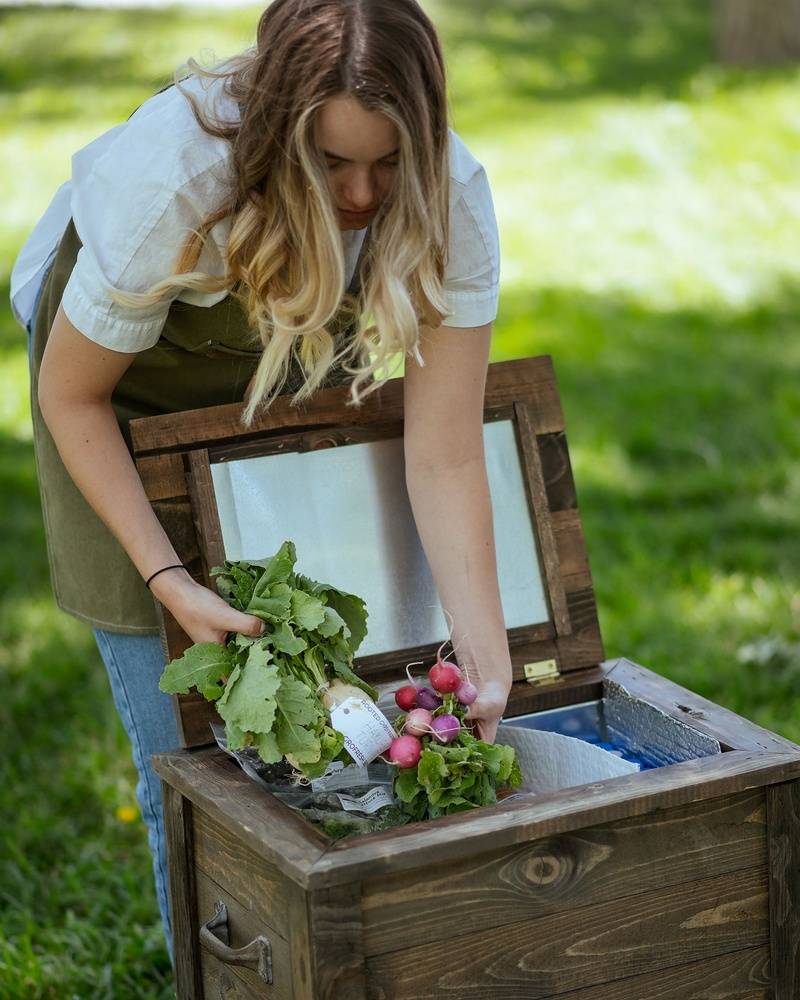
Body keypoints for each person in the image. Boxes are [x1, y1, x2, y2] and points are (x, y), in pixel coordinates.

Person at [11, 0, 513, 963]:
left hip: (281, 344)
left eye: (390, 160)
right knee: (193, 760)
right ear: (281, 135)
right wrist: (168, 581)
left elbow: (443, 449)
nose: (365, 194)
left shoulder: (454, 194)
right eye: (331, 163)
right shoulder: (172, 179)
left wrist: (486, 660)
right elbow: (73, 399)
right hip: (118, 388)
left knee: (330, 688)